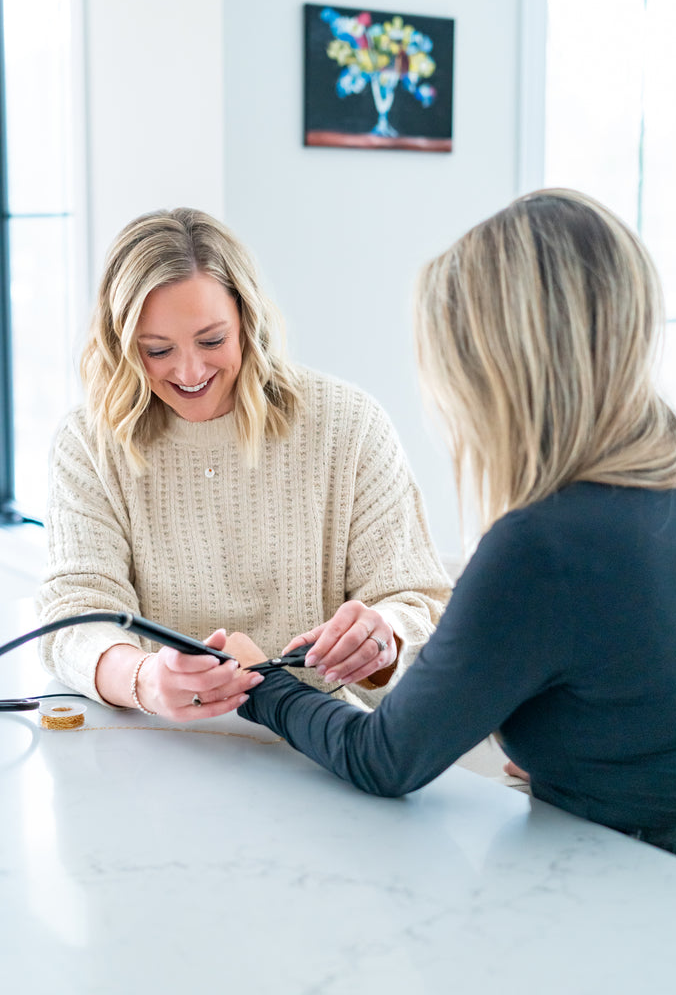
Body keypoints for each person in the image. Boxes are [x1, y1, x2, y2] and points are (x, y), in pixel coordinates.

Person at [230, 189, 676, 857]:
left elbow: (384, 759)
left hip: (625, 892)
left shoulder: (544, 546)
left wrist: (259, 683)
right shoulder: (659, 479)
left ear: (496, 366)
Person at [37, 208, 451, 720]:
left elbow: (417, 602)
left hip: (319, 742)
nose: (189, 371)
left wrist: (382, 636)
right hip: (155, 745)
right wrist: (144, 679)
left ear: (247, 319)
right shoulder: (89, 444)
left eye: (212, 340)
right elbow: (74, 613)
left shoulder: (349, 425)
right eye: (157, 350)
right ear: (121, 345)